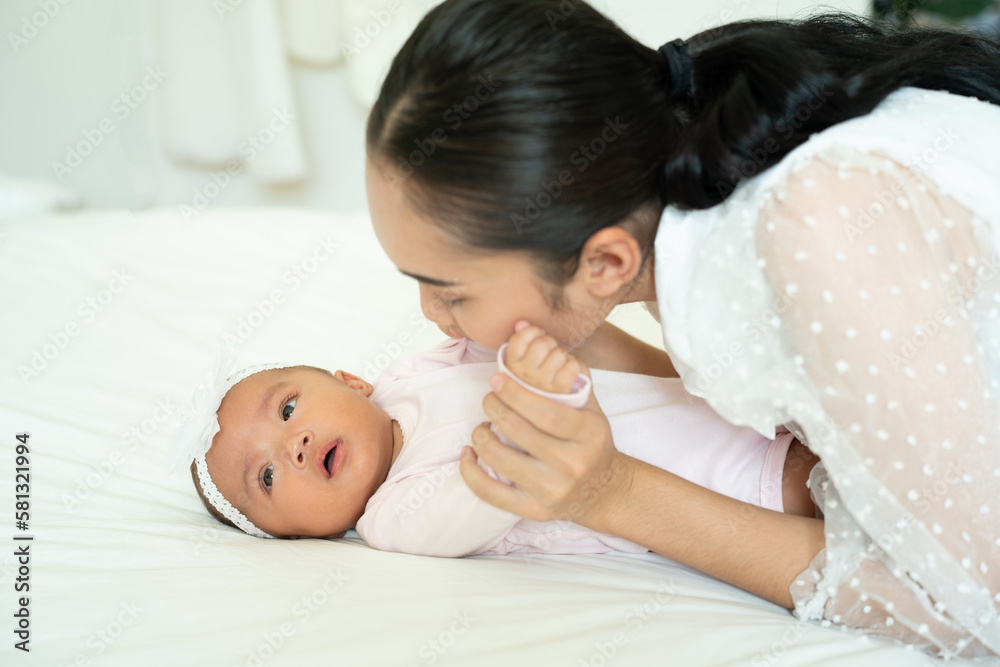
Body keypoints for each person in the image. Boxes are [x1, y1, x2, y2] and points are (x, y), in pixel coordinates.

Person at [363, 0, 1000, 657]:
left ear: (606, 262)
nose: (432, 316)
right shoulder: (695, 147)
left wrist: (613, 493)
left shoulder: (813, 227)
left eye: (450, 291)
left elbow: (969, 597)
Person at [171, 325, 816, 556]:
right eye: (267, 478)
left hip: (720, 408)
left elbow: (495, 334)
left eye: (287, 408)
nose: (296, 446)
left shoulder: (411, 376)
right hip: (726, 490)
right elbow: (487, 489)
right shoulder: (392, 520)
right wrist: (539, 404)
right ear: (299, 536)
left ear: (351, 380)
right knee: (829, 491)